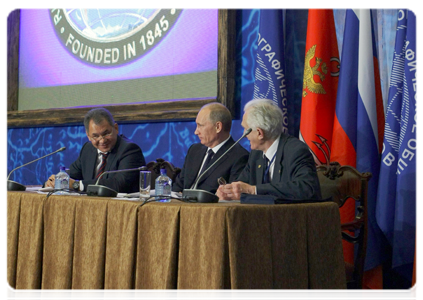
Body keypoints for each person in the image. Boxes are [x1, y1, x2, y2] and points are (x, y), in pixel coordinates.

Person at [217, 99, 321, 201]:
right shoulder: (256, 154)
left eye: (246, 129)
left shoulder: (295, 150)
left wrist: (254, 190)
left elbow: (307, 188)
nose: (244, 135)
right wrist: (229, 192)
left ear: (259, 133)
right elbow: (242, 185)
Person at [45, 107, 145, 193]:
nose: (102, 140)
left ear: (116, 128)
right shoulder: (88, 149)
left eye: (106, 133)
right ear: (88, 136)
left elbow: (119, 183)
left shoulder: (130, 150)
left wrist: (77, 185)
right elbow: (71, 175)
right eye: (95, 136)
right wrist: (54, 182)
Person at [173, 102, 249, 194]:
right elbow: (178, 187)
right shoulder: (194, 150)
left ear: (218, 127)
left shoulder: (239, 156)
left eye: (200, 125)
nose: (196, 132)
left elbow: (231, 197)